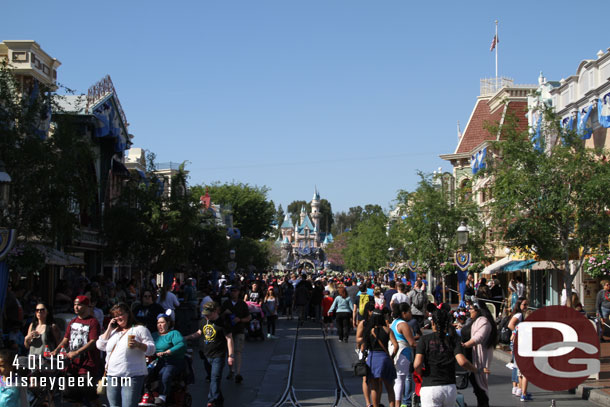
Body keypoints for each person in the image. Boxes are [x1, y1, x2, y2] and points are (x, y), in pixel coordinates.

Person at [414, 309, 479, 407]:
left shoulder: (424, 340)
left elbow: (417, 364)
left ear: (432, 322)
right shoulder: (454, 339)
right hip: (449, 386)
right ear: (448, 323)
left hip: (430, 386)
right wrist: (476, 370)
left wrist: (420, 373)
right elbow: (462, 362)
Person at [96, 303, 156, 407]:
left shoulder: (139, 329)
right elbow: (100, 345)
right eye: (114, 316)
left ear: (128, 314)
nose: (117, 318)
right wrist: (109, 328)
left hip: (132, 375)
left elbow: (151, 349)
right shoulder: (113, 331)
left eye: (120, 314)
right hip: (112, 375)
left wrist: (139, 345)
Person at [52, 295, 101, 405]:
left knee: (90, 395)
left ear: (86, 306)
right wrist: (56, 350)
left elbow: (93, 342)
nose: (76, 307)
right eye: (74, 304)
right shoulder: (72, 322)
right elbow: (66, 339)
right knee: (73, 397)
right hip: (72, 364)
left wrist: (77, 352)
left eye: (79, 304)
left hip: (87, 364)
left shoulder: (93, 322)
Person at [186, 301, 234, 407]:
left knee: (215, 378)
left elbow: (229, 339)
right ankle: (219, 399)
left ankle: (211, 401)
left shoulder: (223, 323)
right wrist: (187, 337)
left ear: (215, 311)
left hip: (219, 355)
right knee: (213, 379)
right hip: (206, 355)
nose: (206, 316)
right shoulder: (203, 321)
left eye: (208, 314)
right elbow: (199, 332)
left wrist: (230, 356)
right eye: (205, 314)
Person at [460, 303, 496, 407]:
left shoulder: (483, 321)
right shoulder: (474, 321)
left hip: (477, 359)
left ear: (478, 310)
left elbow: (478, 338)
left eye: (471, 309)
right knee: (477, 389)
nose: (469, 311)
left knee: (480, 390)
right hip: (470, 358)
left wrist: (465, 345)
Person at [362, 310, 398, 407]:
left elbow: (363, 347)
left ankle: (375, 405)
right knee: (389, 387)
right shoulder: (388, 330)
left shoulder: (370, 331)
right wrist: (391, 356)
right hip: (385, 358)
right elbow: (396, 345)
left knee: (374, 387)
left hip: (373, 358)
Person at [151, 315, 186, 405]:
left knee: (164, 373)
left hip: (171, 361)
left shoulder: (174, 333)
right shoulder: (153, 335)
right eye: (158, 323)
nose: (160, 325)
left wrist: (168, 352)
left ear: (168, 323)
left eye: (162, 322)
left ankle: (163, 396)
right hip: (155, 361)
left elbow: (181, 344)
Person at [221, 286, 251, 384]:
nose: (233, 293)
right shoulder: (226, 303)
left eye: (235, 291)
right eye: (232, 291)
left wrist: (240, 319)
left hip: (239, 330)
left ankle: (237, 373)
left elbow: (248, 317)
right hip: (228, 331)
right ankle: (231, 370)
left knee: (238, 351)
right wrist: (224, 313)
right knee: (230, 352)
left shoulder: (242, 304)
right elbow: (219, 317)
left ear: (238, 292)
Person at [390, 303, 417, 407]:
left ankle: (396, 403)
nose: (411, 314)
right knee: (401, 380)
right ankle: (398, 404)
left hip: (395, 353)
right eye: (409, 312)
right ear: (404, 313)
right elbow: (412, 343)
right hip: (403, 353)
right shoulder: (403, 324)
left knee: (398, 380)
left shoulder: (394, 323)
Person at [507, 297, 529, 398]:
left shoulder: (518, 314)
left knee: (516, 365)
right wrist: (519, 333)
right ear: (519, 305)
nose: (525, 307)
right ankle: (519, 389)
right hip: (519, 342)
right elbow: (510, 325)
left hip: (516, 342)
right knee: (519, 367)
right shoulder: (519, 315)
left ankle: (517, 387)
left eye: (526, 305)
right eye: (524, 305)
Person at [356, 302, 376, 407]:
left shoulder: (377, 322)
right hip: (366, 351)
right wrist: (367, 339)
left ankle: (375, 402)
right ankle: (368, 403)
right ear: (368, 311)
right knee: (366, 378)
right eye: (372, 310)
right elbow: (358, 338)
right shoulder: (363, 323)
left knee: (374, 378)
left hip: (375, 351)